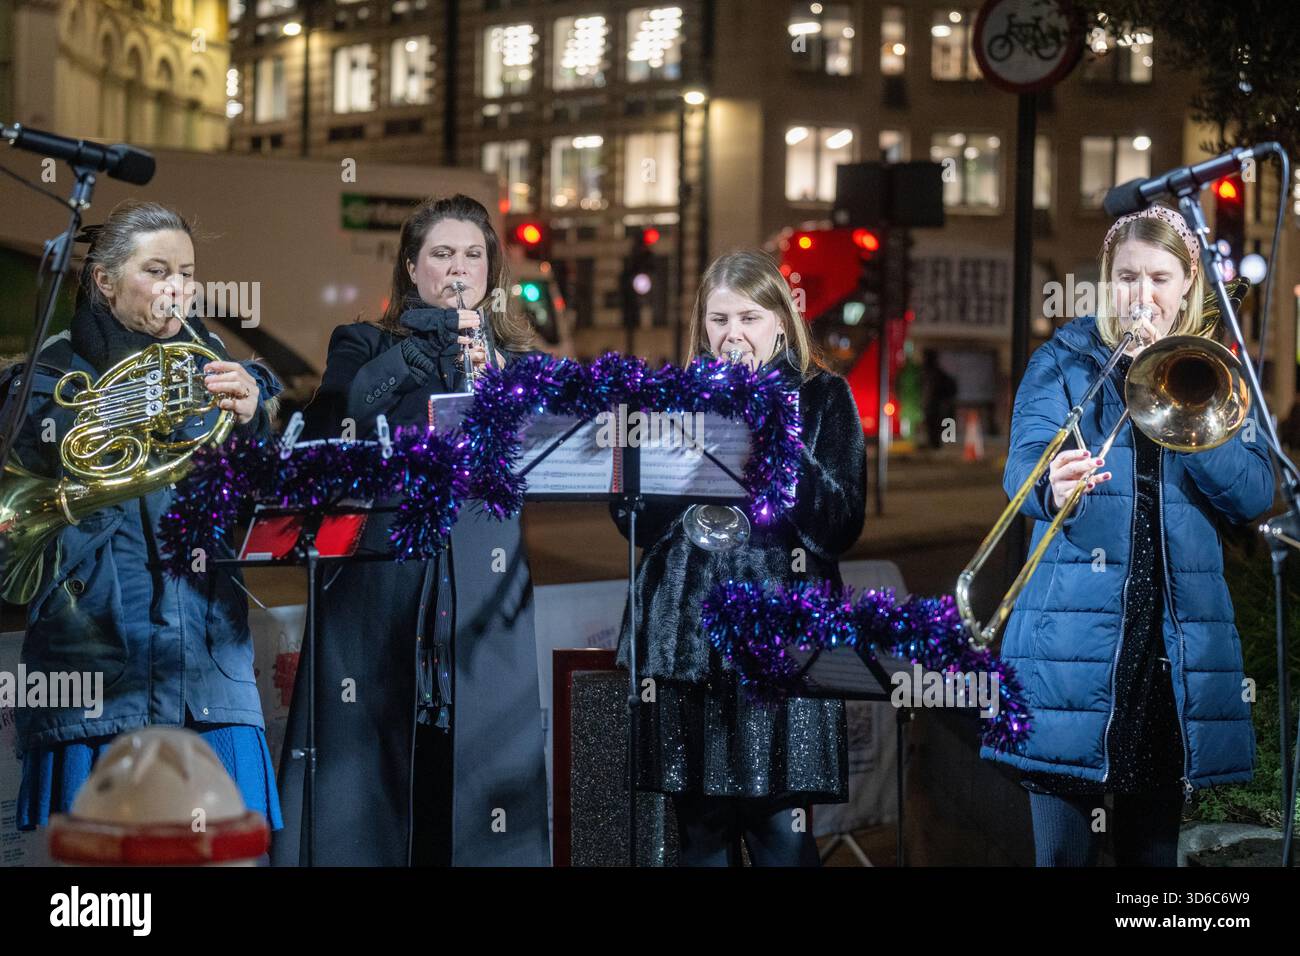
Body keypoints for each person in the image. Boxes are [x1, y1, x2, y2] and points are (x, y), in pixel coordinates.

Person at [982, 203, 1275, 866]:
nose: (1143, 295)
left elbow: (1256, 493)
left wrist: (1192, 421)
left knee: (1151, 861)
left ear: (1188, 284)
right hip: (1071, 650)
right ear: (1107, 281)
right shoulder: (1064, 359)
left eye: (1161, 278)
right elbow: (1021, 466)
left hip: (1170, 652)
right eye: (1128, 277)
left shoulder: (1217, 371)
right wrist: (1050, 483)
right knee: (1063, 856)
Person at [272, 194, 550, 866]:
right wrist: (421, 349)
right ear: (412, 266)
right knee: (372, 788)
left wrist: (500, 384)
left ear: (492, 269)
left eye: (473, 254)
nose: (459, 268)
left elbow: (550, 457)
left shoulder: (516, 356)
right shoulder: (363, 341)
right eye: (442, 253)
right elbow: (332, 424)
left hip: (482, 597)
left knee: (473, 782)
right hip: (382, 593)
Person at [3, 199, 284, 831]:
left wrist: (250, 427)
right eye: (157, 271)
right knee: (108, 884)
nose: (178, 289)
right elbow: (34, 496)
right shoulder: (47, 376)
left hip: (210, 678)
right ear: (103, 281)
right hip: (96, 680)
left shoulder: (218, 373)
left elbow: (257, 506)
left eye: (187, 273)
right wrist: (122, 412)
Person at [612, 249, 866, 866]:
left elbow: (839, 527)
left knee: (781, 833)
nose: (733, 336)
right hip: (685, 643)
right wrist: (663, 461)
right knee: (698, 835)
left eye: (749, 319)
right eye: (720, 321)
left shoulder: (823, 396)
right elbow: (631, 522)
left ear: (782, 321)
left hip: (780, 646)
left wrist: (773, 431)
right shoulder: (674, 395)